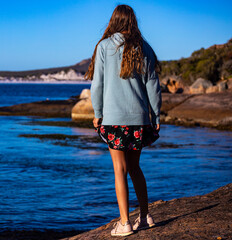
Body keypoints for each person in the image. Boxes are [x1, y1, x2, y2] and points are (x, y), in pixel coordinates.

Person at [85, 4, 162, 237]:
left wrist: (97, 113)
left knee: (119, 169)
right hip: (139, 119)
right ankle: (145, 216)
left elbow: (97, 85)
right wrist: (156, 114)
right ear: (133, 22)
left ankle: (125, 223)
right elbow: (153, 86)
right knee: (135, 167)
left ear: (114, 21)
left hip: (113, 120)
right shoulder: (145, 48)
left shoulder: (104, 47)